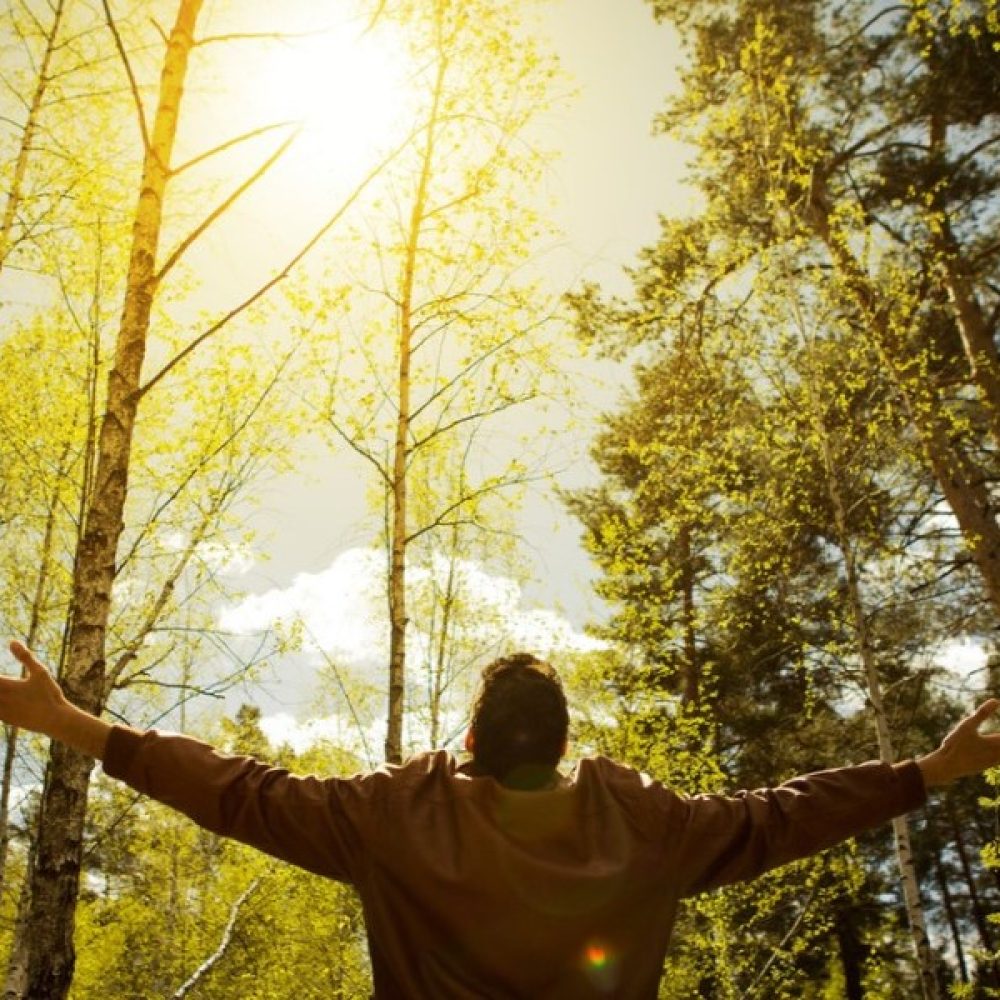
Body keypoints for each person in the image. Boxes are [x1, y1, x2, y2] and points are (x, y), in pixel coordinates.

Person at [3, 641, 1000, 999]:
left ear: (473, 734)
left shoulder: (392, 816)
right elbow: (786, 815)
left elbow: (236, 788)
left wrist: (72, 722)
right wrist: (928, 767)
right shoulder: (651, 830)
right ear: (563, 743)